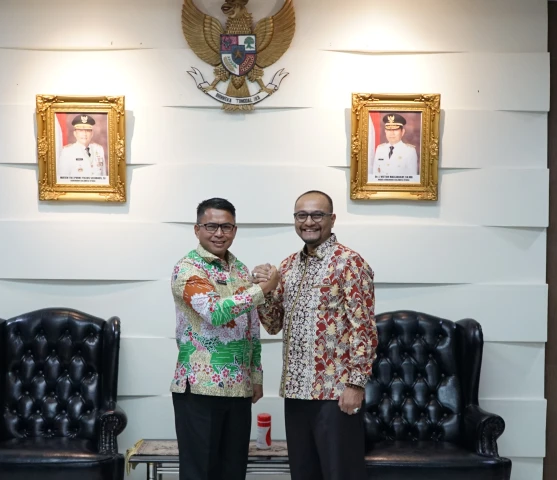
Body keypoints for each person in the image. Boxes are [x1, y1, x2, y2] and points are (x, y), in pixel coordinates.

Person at [252, 190, 377, 480]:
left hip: (335, 393)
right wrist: (264, 290)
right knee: (303, 473)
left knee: (340, 473)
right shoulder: (287, 266)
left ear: (332, 219)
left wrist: (355, 385)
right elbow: (273, 325)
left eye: (317, 215)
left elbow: (363, 328)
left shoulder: (349, 263)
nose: (308, 221)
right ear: (294, 219)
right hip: (295, 391)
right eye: (302, 215)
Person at [170, 197, 278, 480]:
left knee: (234, 471)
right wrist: (263, 289)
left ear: (235, 230)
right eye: (211, 226)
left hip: (239, 387)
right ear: (197, 229)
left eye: (226, 227)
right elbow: (215, 312)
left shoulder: (240, 269)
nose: (219, 233)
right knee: (200, 472)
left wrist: (256, 375)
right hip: (200, 387)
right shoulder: (188, 268)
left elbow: (251, 328)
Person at [370, 113, 419, 181]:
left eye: (395, 130)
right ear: (385, 131)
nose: (392, 133)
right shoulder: (380, 149)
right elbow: (375, 175)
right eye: (389, 130)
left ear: (402, 132)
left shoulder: (410, 151)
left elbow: (412, 179)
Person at [57, 114, 106, 180]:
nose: (84, 134)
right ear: (75, 133)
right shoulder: (67, 152)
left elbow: (103, 178)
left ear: (92, 133)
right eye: (81, 131)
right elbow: (63, 180)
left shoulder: (99, 150)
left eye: (87, 130)